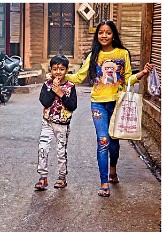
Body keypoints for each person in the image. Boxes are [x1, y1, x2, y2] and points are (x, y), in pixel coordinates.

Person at [64, 20, 154, 197]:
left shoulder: (122, 54)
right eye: (101, 33)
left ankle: (113, 169)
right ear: (97, 36)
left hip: (118, 103)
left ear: (114, 35)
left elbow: (128, 78)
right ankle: (104, 181)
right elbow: (79, 77)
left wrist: (142, 73)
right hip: (98, 102)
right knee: (103, 140)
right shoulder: (93, 55)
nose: (104, 35)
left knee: (114, 142)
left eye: (108, 32)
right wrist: (60, 75)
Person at [35, 54, 77, 190]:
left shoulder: (71, 87)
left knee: (61, 151)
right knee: (43, 148)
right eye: (55, 69)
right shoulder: (46, 85)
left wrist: (61, 94)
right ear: (50, 70)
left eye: (61, 69)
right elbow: (45, 102)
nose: (58, 72)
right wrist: (54, 90)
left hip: (62, 124)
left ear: (67, 70)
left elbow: (72, 106)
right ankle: (42, 177)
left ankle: (62, 177)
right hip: (47, 122)